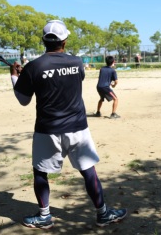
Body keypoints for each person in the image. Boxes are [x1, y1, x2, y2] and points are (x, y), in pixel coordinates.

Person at [9, 20, 127, 229]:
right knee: (88, 170)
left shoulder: (34, 66)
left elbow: (23, 99)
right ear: (64, 41)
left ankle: (44, 216)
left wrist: (15, 76)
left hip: (48, 129)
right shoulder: (77, 62)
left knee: (40, 172)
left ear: (44, 41)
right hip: (78, 127)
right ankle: (103, 213)